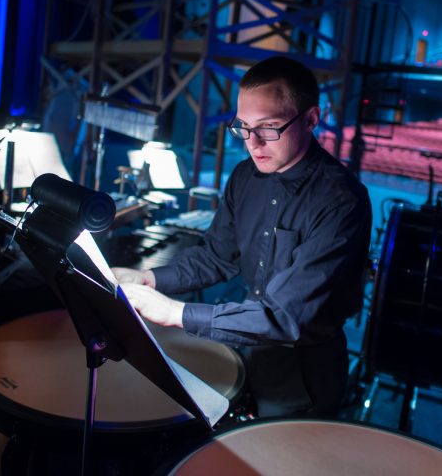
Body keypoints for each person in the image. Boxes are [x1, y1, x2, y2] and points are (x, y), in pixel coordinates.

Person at [113, 56, 372, 418]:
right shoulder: (244, 176)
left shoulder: (341, 199)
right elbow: (217, 256)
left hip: (303, 371)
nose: (253, 143)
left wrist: (176, 312)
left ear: (311, 119)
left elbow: (287, 318)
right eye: (243, 127)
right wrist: (148, 278)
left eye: (269, 127)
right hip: (247, 349)